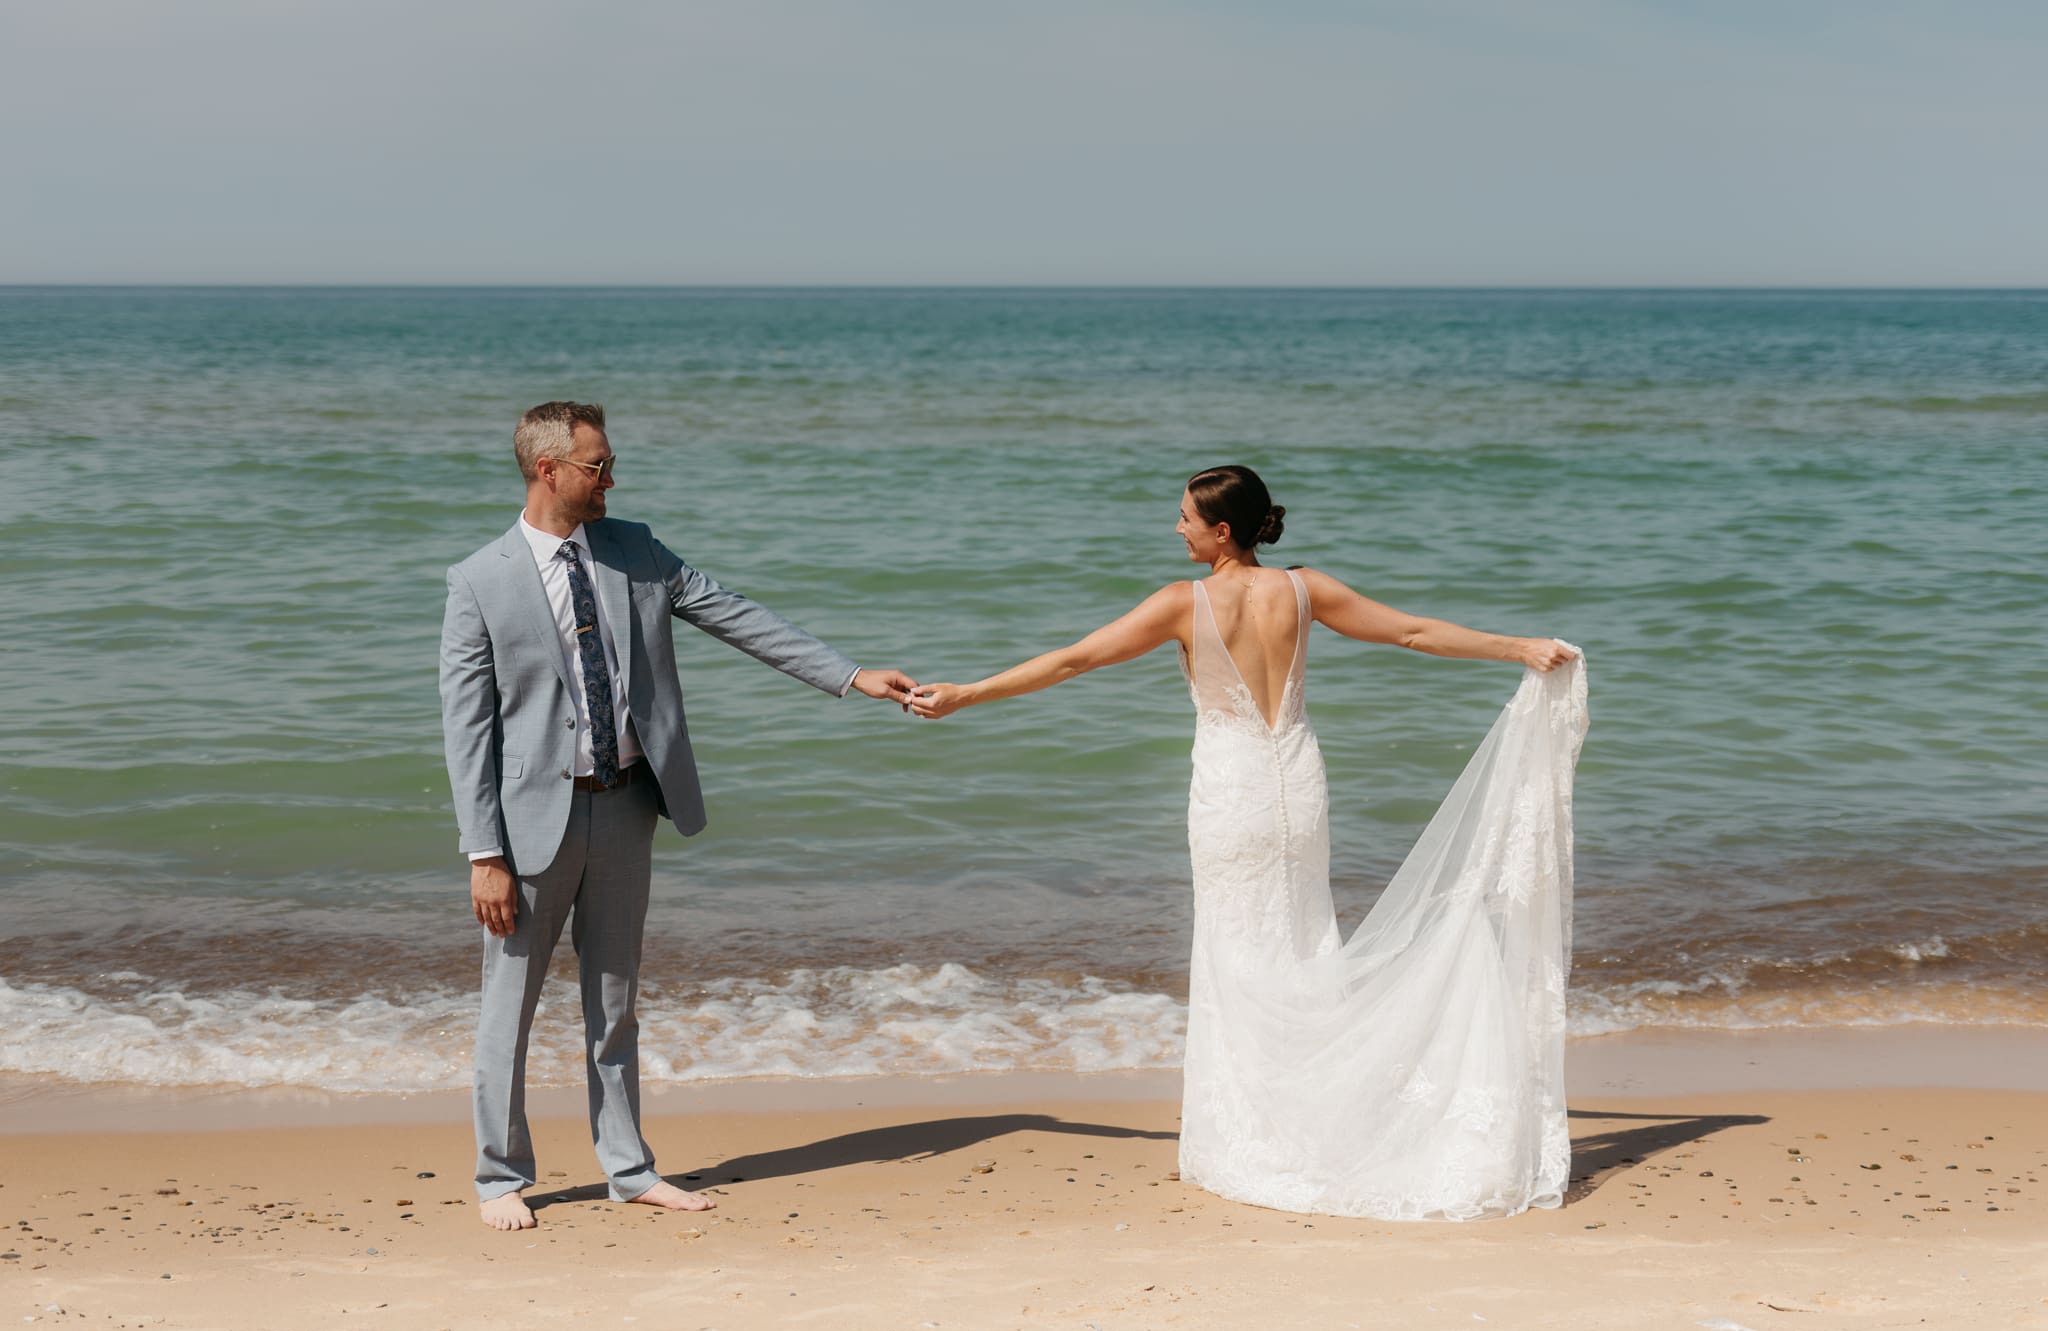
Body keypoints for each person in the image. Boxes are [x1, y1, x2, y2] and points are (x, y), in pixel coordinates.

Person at [910, 465, 1588, 1220]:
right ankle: (1323, 1111)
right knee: (1302, 943)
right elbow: (1410, 631)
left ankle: (1261, 1132)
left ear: (1221, 530)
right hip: (1298, 781)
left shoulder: (1181, 603)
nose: (1177, 528)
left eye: (1185, 518)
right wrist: (1517, 645)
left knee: (1238, 949)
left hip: (1232, 793)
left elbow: (1075, 659)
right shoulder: (1305, 590)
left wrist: (966, 694)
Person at [439, 401, 917, 1231]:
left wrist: (850, 675)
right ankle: (499, 1175)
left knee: (615, 1000)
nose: (610, 478)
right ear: (549, 470)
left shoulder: (637, 549)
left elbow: (737, 614)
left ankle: (627, 1167)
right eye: (597, 465)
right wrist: (484, 850)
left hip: (627, 807)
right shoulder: (479, 580)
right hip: (528, 829)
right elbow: (467, 726)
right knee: (507, 1005)